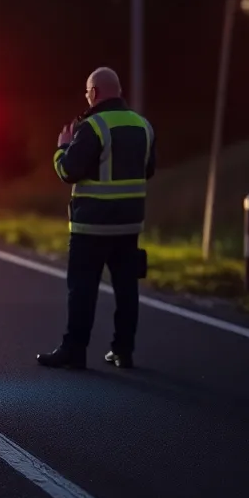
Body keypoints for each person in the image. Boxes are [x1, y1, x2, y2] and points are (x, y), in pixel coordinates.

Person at [37, 67, 155, 369]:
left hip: (92, 225)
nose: (87, 99)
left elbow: (68, 171)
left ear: (95, 93)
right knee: (127, 289)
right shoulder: (143, 126)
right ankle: (123, 350)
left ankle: (74, 351)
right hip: (129, 224)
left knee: (82, 288)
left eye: (88, 93)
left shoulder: (93, 126)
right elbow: (148, 169)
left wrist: (63, 146)